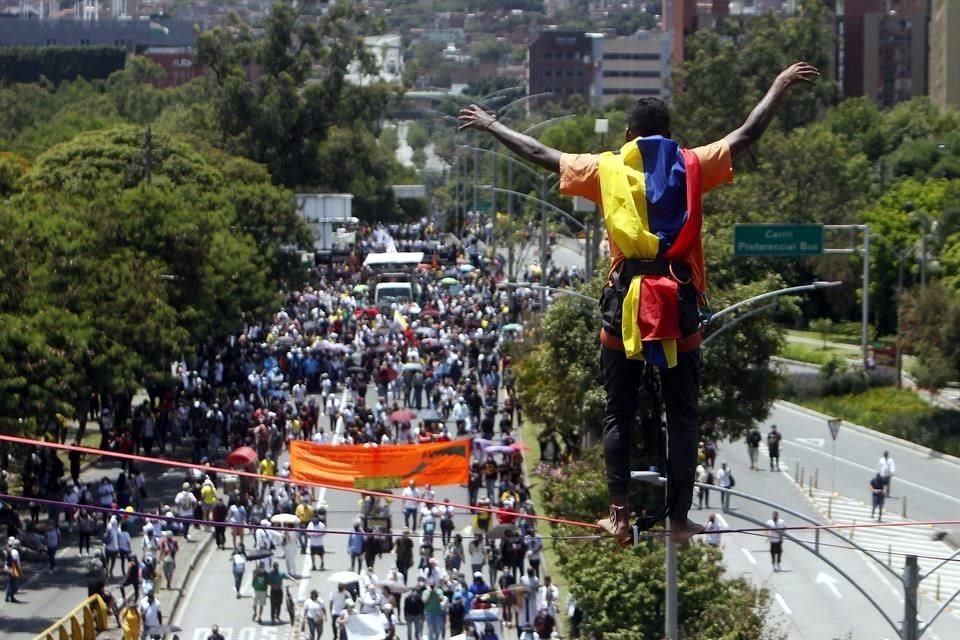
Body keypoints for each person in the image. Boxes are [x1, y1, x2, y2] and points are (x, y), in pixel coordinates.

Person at [458, 62, 819, 544]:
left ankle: (620, 514)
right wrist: (777, 85)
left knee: (619, 411)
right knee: (683, 415)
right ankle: (678, 518)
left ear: (629, 135)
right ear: (669, 135)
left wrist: (492, 125)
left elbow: (541, 153)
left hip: (624, 304)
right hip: (680, 304)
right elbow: (747, 133)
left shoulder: (605, 168)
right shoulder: (694, 163)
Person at [4, 537, 22, 603]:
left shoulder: (9, 550)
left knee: (10, 582)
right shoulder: (15, 552)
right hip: (13, 568)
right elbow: (15, 562)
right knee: (13, 583)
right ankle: (10, 596)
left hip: (8, 567)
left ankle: (8, 597)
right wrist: (19, 570)